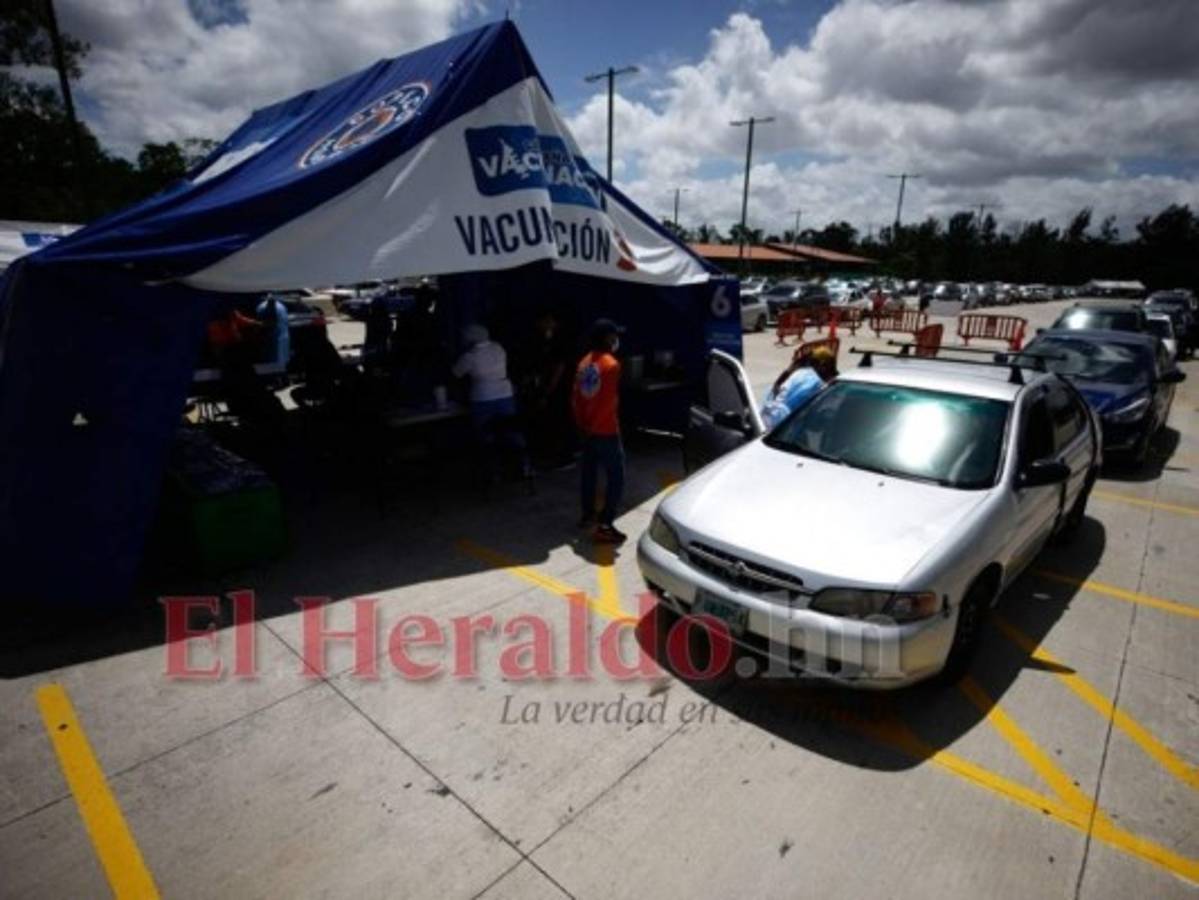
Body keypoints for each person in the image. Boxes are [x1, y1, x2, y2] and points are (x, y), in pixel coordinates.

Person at [573, 318, 626, 543]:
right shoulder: (611, 365)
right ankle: (605, 524)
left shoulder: (584, 362)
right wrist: (597, 426)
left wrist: (583, 426)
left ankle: (587, 515)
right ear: (607, 338)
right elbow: (607, 402)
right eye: (614, 336)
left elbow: (575, 398)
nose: (617, 340)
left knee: (589, 474)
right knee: (616, 477)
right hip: (605, 430)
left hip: (587, 430)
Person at [452, 323, 529, 477]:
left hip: (483, 397)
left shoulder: (469, 356)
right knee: (512, 430)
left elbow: (456, 373)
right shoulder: (498, 348)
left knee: (485, 434)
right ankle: (523, 466)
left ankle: (492, 471)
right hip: (505, 394)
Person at [759, 345, 837, 430]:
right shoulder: (819, 385)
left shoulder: (800, 372)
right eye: (830, 368)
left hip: (768, 419)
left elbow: (776, 388)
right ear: (823, 366)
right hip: (788, 427)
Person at [255, 293, 291, 367]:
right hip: (280, 337)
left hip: (271, 338)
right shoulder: (281, 306)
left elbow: (262, 323)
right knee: (280, 361)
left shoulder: (261, 307)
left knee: (270, 362)